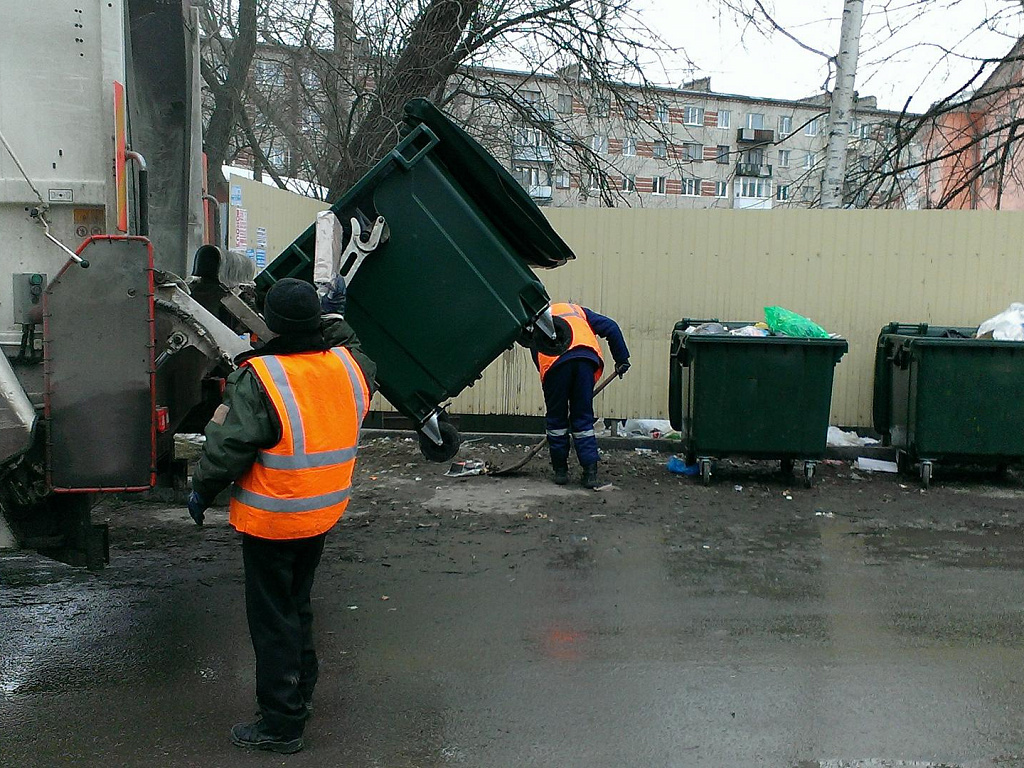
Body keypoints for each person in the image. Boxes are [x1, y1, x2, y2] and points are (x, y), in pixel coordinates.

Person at [187, 276, 375, 754]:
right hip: (321, 511)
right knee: (296, 605)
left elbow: (229, 447)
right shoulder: (350, 364)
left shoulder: (261, 377)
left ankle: (281, 723)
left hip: (273, 517)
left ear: (269, 324)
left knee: (273, 619)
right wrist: (331, 314)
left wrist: (202, 488)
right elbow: (349, 338)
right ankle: (300, 695)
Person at [534, 302, 630, 489]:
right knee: (583, 418)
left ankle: (560, 471)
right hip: (585, 360)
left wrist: (549, 381)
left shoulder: (539, 320)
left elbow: (537, 352)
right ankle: (590, 472)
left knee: (556, 419)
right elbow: (611, 327)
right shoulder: (578, 311)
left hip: (556, 365)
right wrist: (622, 359)